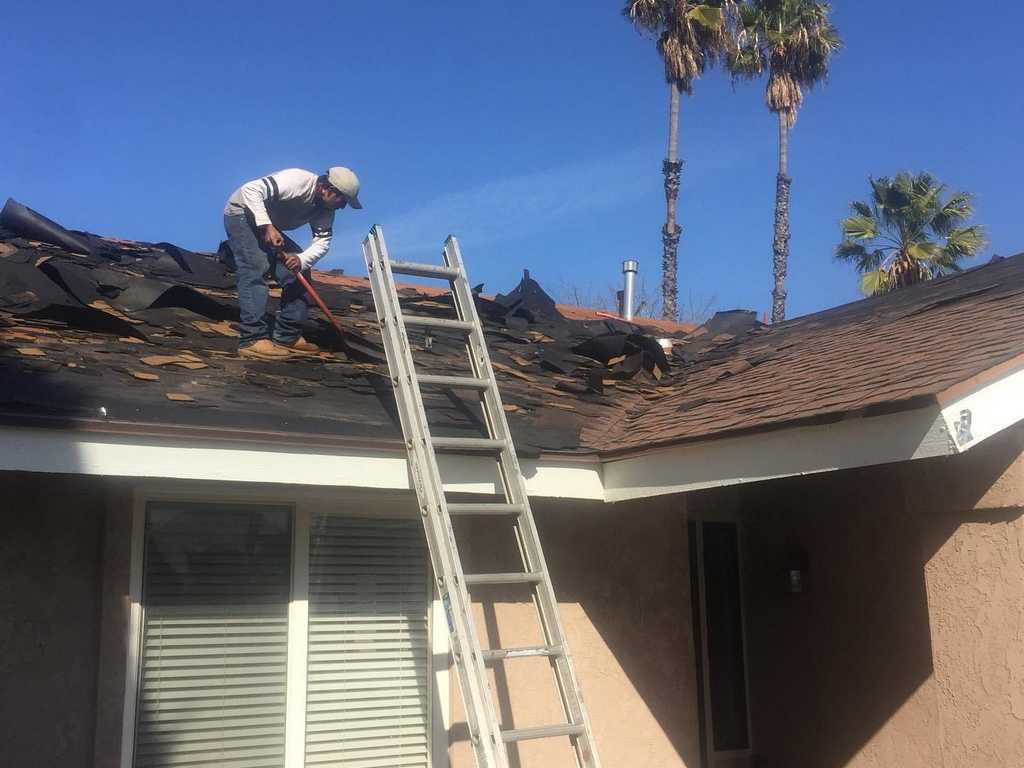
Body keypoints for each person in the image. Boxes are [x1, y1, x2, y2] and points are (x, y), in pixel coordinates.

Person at [223, 167, 362, 359]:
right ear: (327, 189)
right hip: (242, 214)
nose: (342, 206)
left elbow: (322, 242)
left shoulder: (325, 211)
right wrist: (267, 226)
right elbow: (250, 190)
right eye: (342, 200)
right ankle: (252, 339)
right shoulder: (297, 181)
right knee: (254, 268)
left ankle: (287, 335)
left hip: (268, 224)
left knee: (299, 272)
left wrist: (301, 259)